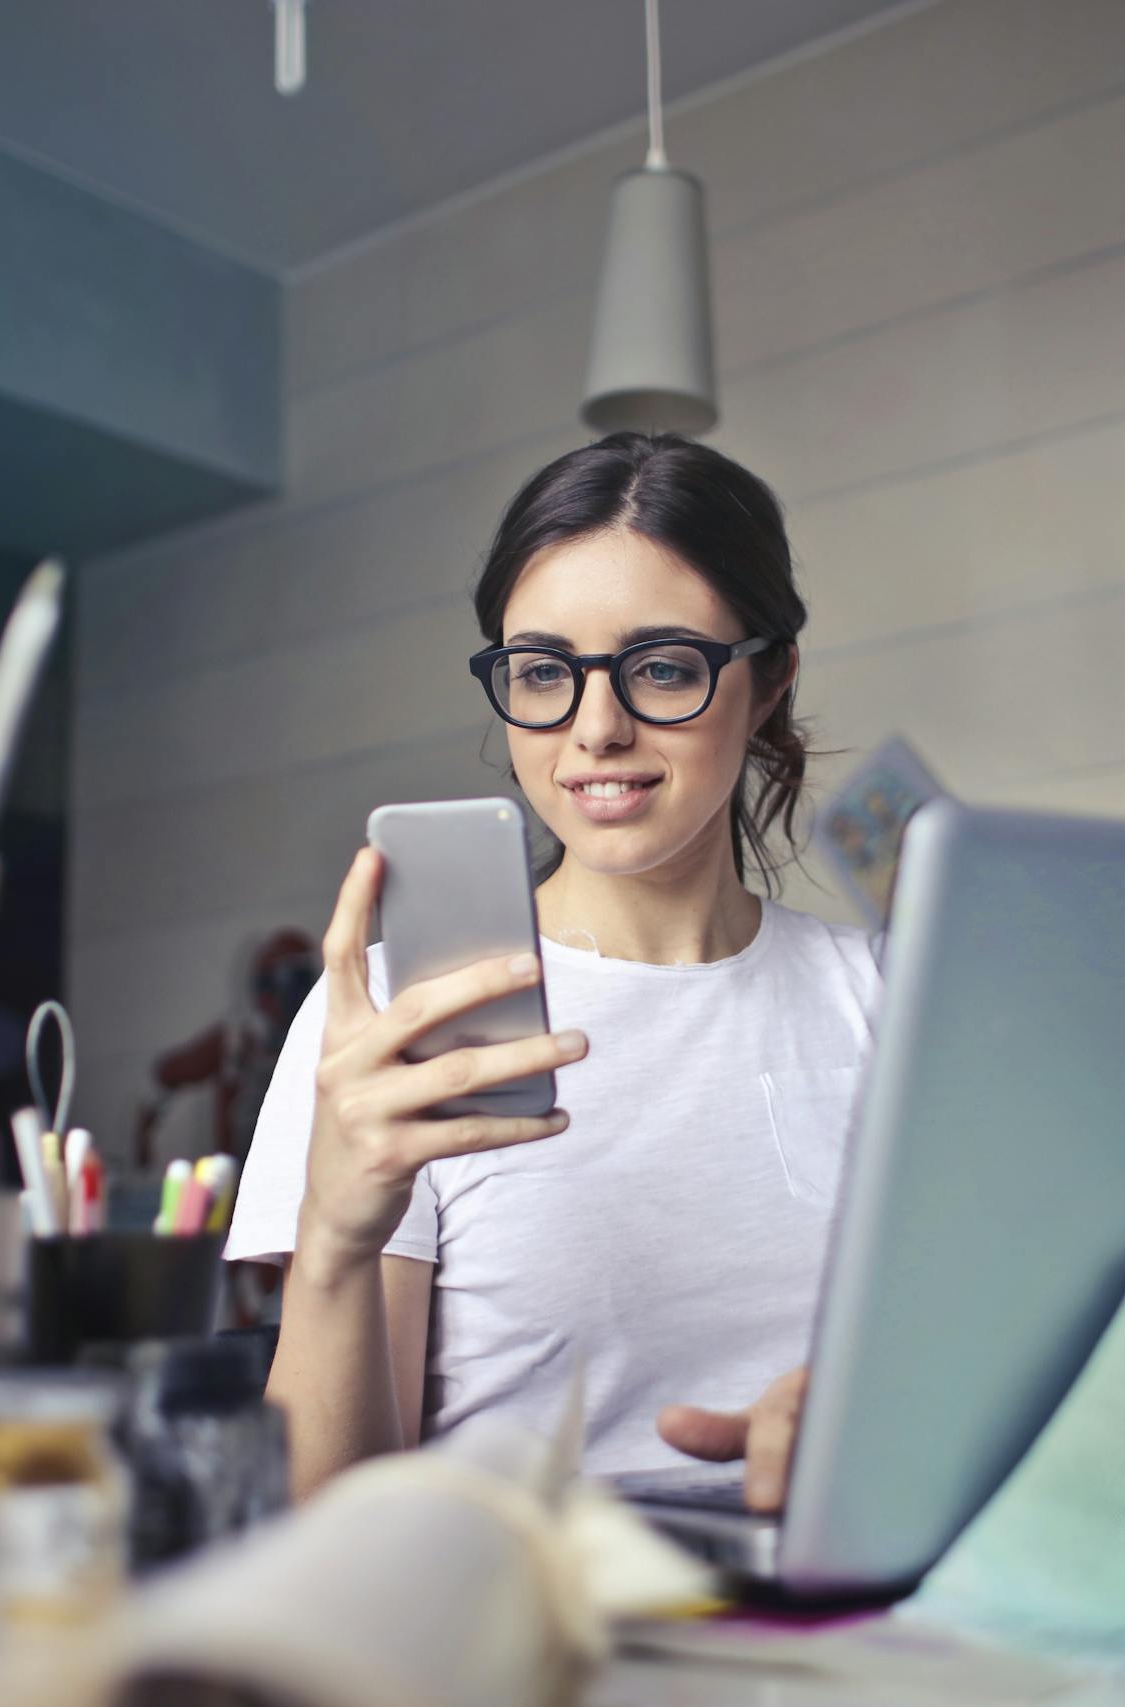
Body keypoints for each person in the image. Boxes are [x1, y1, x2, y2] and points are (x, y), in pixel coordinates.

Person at [225, 433, 881, 1510]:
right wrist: (337, 1238)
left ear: (768, 682)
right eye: (542, 673)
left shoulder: (889, 1003)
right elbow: (325, 1523)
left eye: (662, 667)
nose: (596, 729)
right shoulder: (398, 1019)